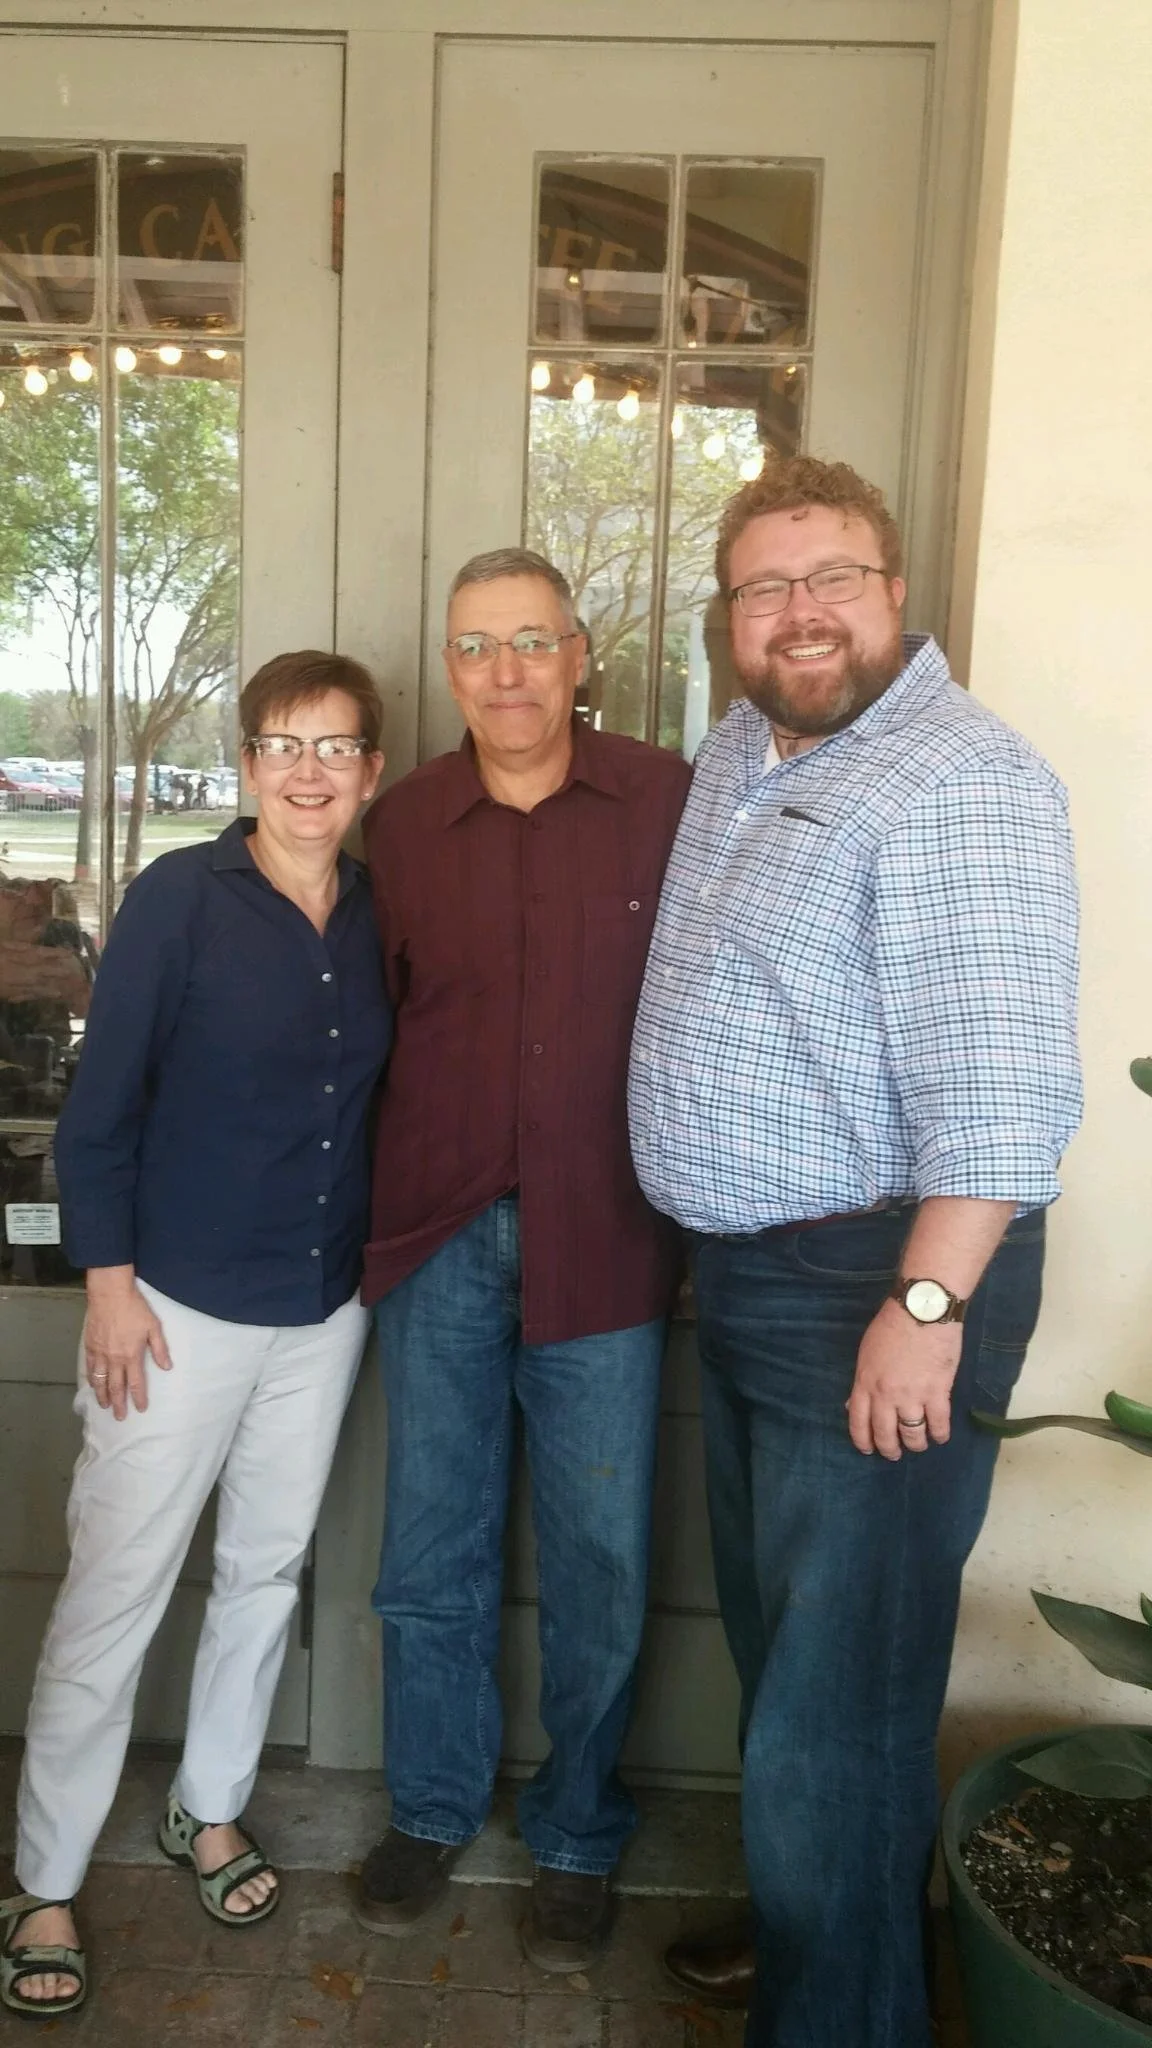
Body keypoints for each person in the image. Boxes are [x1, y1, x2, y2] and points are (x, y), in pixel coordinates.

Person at [627, 457, 1082, 2048]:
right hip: (762, 1277)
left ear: (896, 592)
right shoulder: (746, 749)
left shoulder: (961, 776)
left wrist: (928, 1303)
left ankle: (843, 2018)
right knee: (794, 1673)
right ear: (728, 620)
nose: (799, 613)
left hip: (878, 1292)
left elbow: (1009, 1088)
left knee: (842, 1703)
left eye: (831, 579)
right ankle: (826, 1938)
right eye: (764, 588)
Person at [0, 651, 389, 2021]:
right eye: (283, 742)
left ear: (370, 771)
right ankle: (44, 1878)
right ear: (245, 765)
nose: (307, 769)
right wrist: (105, 1280)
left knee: (265, 1572)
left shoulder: (372, 910)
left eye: (335, 746)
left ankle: (208, 1810)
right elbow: (99, 1108)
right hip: (169, 1311)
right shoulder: (180, 898)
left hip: (321, 1307)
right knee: (115, 1588)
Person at [356, 548, 691, 1972]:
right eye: (477, 648)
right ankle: (432, 1804)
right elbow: (361, 1028)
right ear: (451, 669)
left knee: (605, 1558)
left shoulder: (670, 805)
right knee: (429, 1550)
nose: (505, 673)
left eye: (531, 643)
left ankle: (573, 1831)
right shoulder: (405, 825)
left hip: (607, 1239)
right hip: (435, 1235)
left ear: (579, 654)